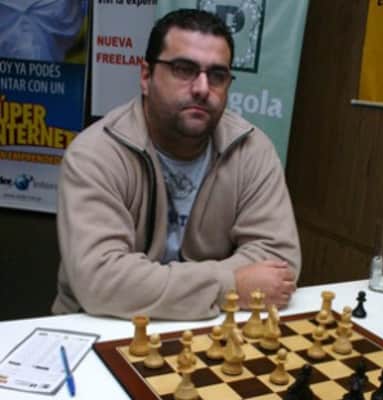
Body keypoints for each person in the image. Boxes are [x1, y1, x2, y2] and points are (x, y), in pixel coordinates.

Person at [52, 9, 301, 320]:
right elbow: (100, 281)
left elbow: (279, 263)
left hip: (211, 326)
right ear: (146, 76)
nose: (202, 88)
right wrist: (231, 285)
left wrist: (154, 287)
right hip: (106, 325)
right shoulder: (95, 154)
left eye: (217, 75)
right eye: (184, 69)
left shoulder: (252, 149)